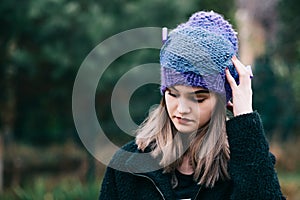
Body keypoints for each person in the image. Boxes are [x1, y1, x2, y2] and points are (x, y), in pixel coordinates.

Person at [99, 11, 285, 200]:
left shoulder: (247, 161)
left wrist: (245, 118)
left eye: (198, 98)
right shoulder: (126, 165)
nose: (181, 109)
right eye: (173, 94)